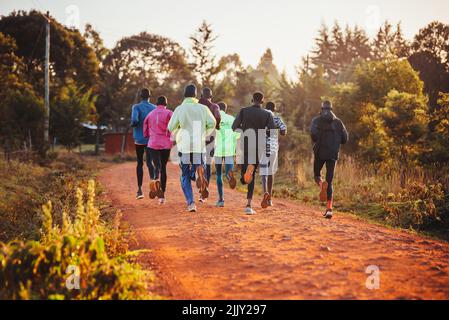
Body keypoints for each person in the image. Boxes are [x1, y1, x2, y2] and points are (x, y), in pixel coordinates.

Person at [168, 84, 216, 213]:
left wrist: (179, 131)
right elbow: (213, 123)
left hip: (184, 146)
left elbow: (171, 126)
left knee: (184, 175)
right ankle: (197, 172)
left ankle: (191, 203)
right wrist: (204, 133)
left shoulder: (180, 109)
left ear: (184, 95)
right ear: (196, 95)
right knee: (198, 165)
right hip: (199, 146)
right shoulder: (203, 108)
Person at [232, 91, 275, 215]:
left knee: (245, 175)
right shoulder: (267, 114)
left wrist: (244, 129)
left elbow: (234, 127)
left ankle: (244, 177)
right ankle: (249, 205)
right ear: (262, 102)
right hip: (259, 146)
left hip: (244, 144)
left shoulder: (243, 111)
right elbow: (272, 131)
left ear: (252, 100)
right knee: (253, 173)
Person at [310, 100, 348, 219]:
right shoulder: (338, 122)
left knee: (317, 175)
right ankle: (329, 209)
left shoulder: (316, 120)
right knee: (330, 181)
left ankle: (322, 187)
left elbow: (313, 136)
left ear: (322, 109)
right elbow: (345, 139)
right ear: (331, 109)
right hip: (333, 154)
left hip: (320, 153)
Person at [143, 96, 173, 204]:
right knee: (163, 168)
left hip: (153, 143)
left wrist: (148, 135)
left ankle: (155, 180)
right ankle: (162, 196)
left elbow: (145, 128)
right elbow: (174, 126)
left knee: (157, 166)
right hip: (165, 144)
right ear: (166, 104)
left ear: (156, 103)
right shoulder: (169, 113)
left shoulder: (150, 114)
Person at [260, 102, 287, 208]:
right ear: (274, 109)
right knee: (271, 171)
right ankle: (270, 198)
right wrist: (280, 132)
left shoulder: (261, 117)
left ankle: (265, 194)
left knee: (263, 172)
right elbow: (284, 129)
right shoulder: (276, 118)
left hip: (262, 146)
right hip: (273, 147)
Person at [130, 88, 156, 200]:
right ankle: (153, 186)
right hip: (150, 140)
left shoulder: (136, 107)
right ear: (150, 96)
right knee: (150, 162)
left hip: (139, 140)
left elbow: (135, 120)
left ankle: (140, 190)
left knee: (140, 163)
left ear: (141, 96)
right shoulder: (154, 108)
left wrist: (133, 124)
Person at [214, 102, 239, 207]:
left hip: (218, 151)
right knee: (228, 172)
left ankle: (221, 200)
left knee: (218, 174)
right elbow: (237, 135)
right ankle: (229, 178)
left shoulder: (215, 118)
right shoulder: (232, 118)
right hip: (229, 150)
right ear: (226, 108)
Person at [198, 87, 221, 202]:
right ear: (211, 97)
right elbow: (217, 116)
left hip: (198, 138)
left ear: (201, 96)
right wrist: (217, 126)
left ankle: (199, 177)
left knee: (198, 163)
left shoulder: (196, 106)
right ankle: (204, 190)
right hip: (211, 139)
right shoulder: (215, 106)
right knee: (207, 164)